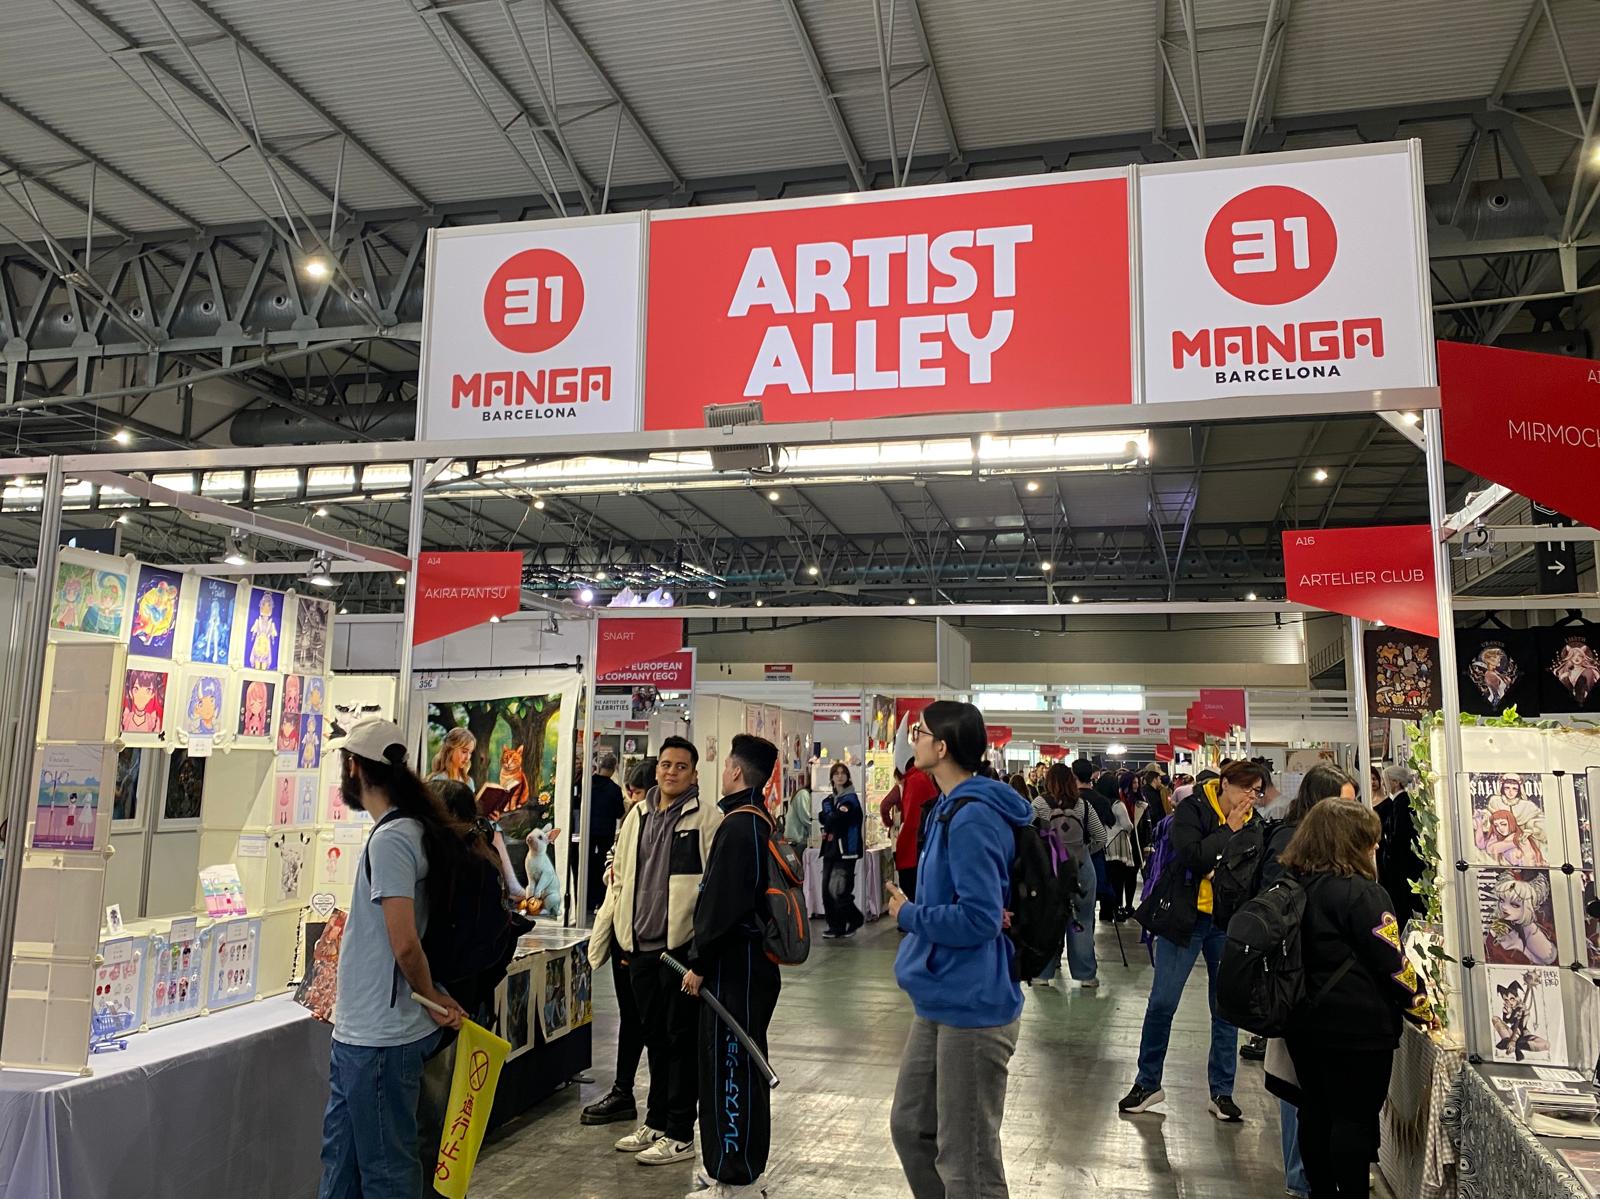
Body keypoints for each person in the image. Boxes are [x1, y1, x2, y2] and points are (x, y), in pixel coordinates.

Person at [887, 701, 1034, 1198]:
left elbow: (979, 918)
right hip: (940, 995)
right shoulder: (946, 809)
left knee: (966, 1157)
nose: (914, 739)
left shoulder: (972, 818)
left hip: (974, 1003)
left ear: (942, 746)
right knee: (911, 1128)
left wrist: (909, 915)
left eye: (920, 732)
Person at [317, 719, 468, 1199]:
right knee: (341, 1165)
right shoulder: (408, 831)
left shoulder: (393, 839)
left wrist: (427, 997)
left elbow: (403, 941)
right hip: (362, 1033)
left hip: (381, 1038)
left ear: (354, 767)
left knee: (386, 1173)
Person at [1279, 800, 1434, 1198]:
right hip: (1357, 1028)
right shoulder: (1364, 894)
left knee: (1314, 1111)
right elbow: (1392, 963)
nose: (1376, 849)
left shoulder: (1294, 885)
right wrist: (1422, 1004)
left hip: (1303, 1021)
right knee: (1354, 1121)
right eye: (1371, 841)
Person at [591, 738, 722, 1166]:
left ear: (694, 774)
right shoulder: (637, 816)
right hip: (640, 949)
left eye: (680, 767)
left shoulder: (707, 819)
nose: (670, 772)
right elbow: (622, 875)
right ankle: (658, 1121)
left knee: (680, 1042)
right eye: (665, 764)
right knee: (655, 1040)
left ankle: (681, 1132)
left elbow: (712, 892)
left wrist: (699, 953)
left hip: (679, 951)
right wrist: (621, 938)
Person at [1121, 759, 1268, 1123]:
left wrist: (1216, 855)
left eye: (1257, 791)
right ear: (1226, 783)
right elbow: (1193, 856)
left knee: (1225, 1007)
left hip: (1226, 921)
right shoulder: (1193, 808)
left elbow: (1246, 869)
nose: (1251, 797)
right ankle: (1147, 1082)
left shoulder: (1257, 824)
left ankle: (1222, 1091)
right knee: (1163, 1001)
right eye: (1246, 789)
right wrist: (1227, 830)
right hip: (1185, 917)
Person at [680, 734, 784, 1198]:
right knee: (742, 1062)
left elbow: (720, 905)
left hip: (731, 970)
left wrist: (699, 961)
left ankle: (734, 1175)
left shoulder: (739, 827)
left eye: (725, 765)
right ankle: (734, 1164)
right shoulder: (758, 821)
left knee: (730, 1066)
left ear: (737, 772)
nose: (722, 772)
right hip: (749, 966)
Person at [1255, 763, 1358, 1199]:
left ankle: (1309, 1173)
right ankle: (1300, 1178)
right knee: (1294, 1087)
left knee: (1306, 1090)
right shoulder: (1289, 841)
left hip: (1313, 985)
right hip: (1293, 984)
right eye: (1346, 803)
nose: (1353, 811)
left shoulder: (1323, 844)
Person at [581, 757, 656, 1127]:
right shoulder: (632, 820)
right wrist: (612, 871)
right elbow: (615, 863)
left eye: (640, 791)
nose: (634, 798)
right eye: (632, 791)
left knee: (653, 1023)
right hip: (623, 932)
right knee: (632, 1017)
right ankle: (625, 1091)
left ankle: (659, 1108)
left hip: (650, 940)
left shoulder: (675, 824)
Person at [1032, 763, 1106, 989]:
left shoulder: (1039, 804)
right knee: (1081, 920)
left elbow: (1024, 832)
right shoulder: (1083, 806)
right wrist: (1082, 852)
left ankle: (1042, 974)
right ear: (1071, 780)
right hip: (1080, 869)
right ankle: (1086, 976)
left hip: (1048, 871)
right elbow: (1101, 837)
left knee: (1047, 921)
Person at [1375, 764, 1426, 930]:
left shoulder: (1400, 804)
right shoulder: (1401, 802)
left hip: (1401, 867)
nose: (1384, 784)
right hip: (1401, 865)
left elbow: (1399, 836)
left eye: (1386, 781)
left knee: (1401, 905)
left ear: (1395, 782)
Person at [819, 762, 864, 939]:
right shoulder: (831, 800)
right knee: (826, 890)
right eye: (836, 773)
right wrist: (828, 816)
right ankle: (836, 926)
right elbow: (825, 818)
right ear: (831, 777)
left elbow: (835, 819)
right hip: (830, 850)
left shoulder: (850, 800)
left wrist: (828, 816)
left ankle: (854, 919)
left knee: (838, 889)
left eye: (843, 773)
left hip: (846, 851)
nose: (839, 776)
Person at [1074, 759, 1118, 923]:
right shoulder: (1101, 800)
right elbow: (1111, 822)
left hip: (1068, 857)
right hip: (1093, 856)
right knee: (1088, 906)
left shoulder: (1070, 800)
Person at [588, 749, 626, 916]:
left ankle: (586, 900)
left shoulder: (588, 784)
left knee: (587, 864)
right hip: (606, 834)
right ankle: (600, 899)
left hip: (587, 833)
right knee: (604, 864)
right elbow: (619, 813)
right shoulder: (615, 789)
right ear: (613, 769)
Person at [1105, 772, 1146, 921]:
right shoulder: (1118, 802)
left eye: (1137, 783)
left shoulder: (1141, 801)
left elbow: (1144, 824)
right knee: (1120, 877)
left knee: (1131, 876)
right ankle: (1119, 906)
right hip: (1122, 844)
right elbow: (1127, 824)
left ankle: (1128, 905)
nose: (1136, 786)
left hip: (1135, 843)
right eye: (1133, 783)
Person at [428, 727, 476, 792]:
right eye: (464, 751)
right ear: (450, 750)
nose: (467, 757)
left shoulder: (468, 782)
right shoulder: (438, 781)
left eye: (470, 753)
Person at [783, 778, 813, 846]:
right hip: (796, 839)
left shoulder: (809, 794)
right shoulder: (803, 794)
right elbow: (806, 818)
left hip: (800, 838)